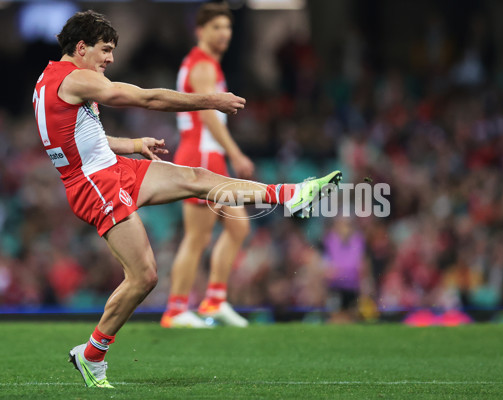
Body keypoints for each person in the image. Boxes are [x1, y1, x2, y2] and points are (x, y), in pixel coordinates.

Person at [32, 10, 341, 388]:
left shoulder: (49, 81)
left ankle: (289, 195)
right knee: (144, 276)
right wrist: (211, 100)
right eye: (106, 50)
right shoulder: (78, 79)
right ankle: (92, 354)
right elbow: (147, 98)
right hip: (94, 184)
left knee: (196, 177)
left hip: (109, 170)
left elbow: (76, 139)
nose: (110, 59)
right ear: (81, 48)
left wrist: (132, 144)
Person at [160, 3, 253, 329]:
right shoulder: (202, 65)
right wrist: (236, 154)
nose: (224, 34)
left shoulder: (205, 64)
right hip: (200, 155)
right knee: (197, 237)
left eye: (227, 27)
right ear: (200, 31)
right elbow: (207, 113)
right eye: (216, 27)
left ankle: (214, 300)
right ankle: (175, 309)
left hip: (207, 154)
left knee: (238, 226)